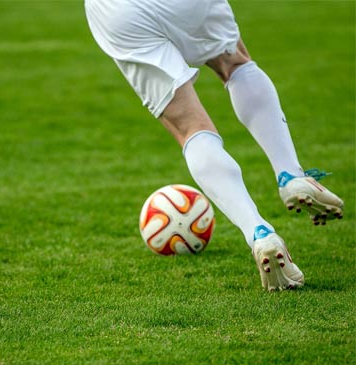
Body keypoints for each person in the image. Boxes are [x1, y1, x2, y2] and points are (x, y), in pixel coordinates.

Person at [84, 0, 344, 291]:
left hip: (119, 11)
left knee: (190, 127)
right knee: (234, 62)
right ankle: (290, 174)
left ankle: (258, 232)